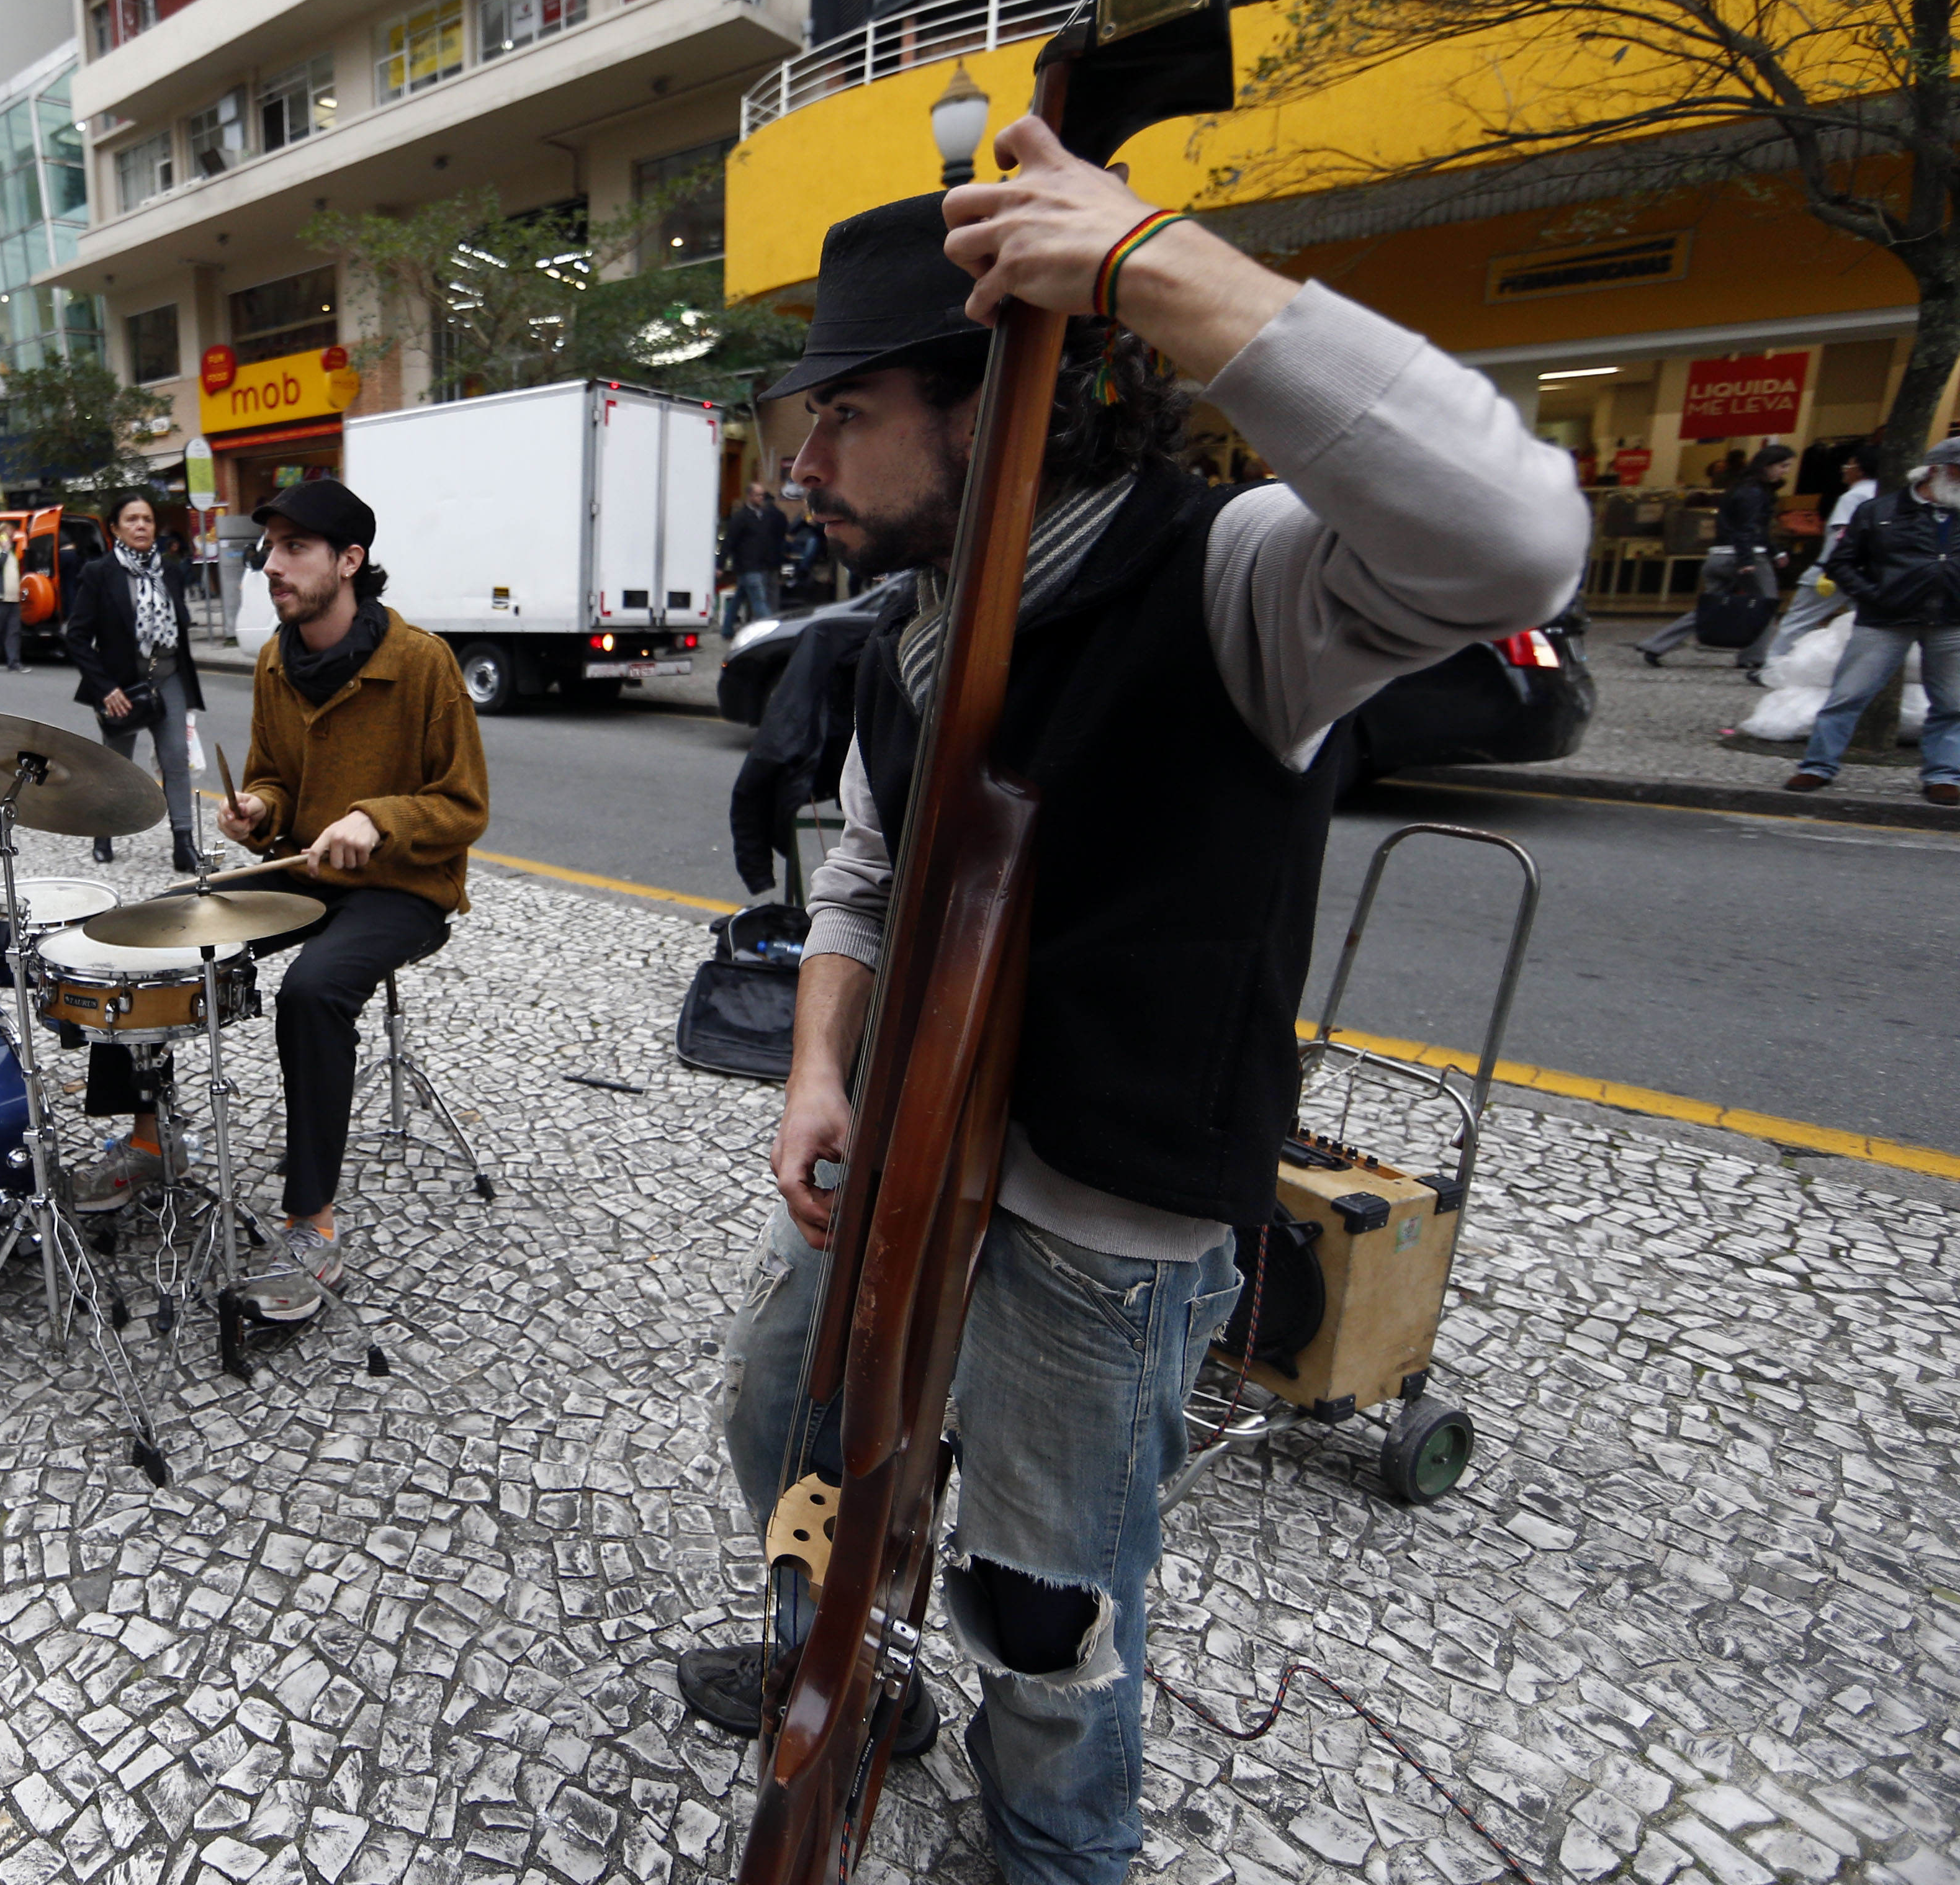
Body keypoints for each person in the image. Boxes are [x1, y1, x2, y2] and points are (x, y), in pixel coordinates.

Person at [674, 139, 1586, 1882]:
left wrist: (1156, 263)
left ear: (993, 399)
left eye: (840, 414)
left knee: (1046, 1600)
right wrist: (814, 1074)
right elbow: (862, 878)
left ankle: (1054, 1852)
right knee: (773, 1412)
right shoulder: (902, 636)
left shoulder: (1238, 581)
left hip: (1106, 1224)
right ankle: (853, 1672)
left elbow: (1521, 537)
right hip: (898, 1167)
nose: (799, 465)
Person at [74, 480, 492, 1313]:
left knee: (313, 990)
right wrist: (259, 806)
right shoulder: (276, 656)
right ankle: (153, 1140)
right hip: (302, 868)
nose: (272, 564)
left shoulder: (421, 663)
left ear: (349, 560)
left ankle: (314, 1227)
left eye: (296, 547)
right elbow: (273, 777)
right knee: (141, 935)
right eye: (271, 547)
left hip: (401, 885)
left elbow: (464, 805)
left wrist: (377, 819)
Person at [1786, 438, 1960, 806]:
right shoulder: (1878, 511)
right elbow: (1841, 563)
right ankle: (1818, 766)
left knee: (1952, 703)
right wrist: (1875, 595)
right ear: (1935, 471)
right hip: (1884, 620)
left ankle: (1944, 775)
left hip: (1950, 620)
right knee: (1849, 694)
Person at [67, 490, 202, 875]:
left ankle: (184, 843)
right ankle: (103, 834)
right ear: (115, 529)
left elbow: (182, 625)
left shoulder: (171, 570)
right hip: (120, 687)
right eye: (131, 520)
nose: (141, 526)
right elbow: (77, 637)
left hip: (169, 676)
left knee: (175, 757)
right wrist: (104, 688)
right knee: (116, 763)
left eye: (147, 520)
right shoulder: (100, 573)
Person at [1637, 444, 1789, 667]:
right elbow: (1751, 529)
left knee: (1709, 608)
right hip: (1747, 556)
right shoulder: (1756, 493)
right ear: (1768, 466)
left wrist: (1774, 551)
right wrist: (1750, 559)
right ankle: (1753, 657)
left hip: (1718, 556)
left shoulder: (1736, 489)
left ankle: (1656, 644)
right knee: (1766, 605)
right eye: (1783, 466)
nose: (1785, 471)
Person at [1761, 449, 1877, 669]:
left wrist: (1829, 566)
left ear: (1860, 469)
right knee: (1867, 620)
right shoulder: (1884, 493)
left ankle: (1773, 666)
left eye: (1849, 465)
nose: (1844, 470)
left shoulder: (1853, 496)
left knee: (1799, 619)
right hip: (1866, 570)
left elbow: (1840, 535)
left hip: (1834, 569)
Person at [724, 479, 788, 632]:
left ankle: (727, 628)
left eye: (762, 495)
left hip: (762, 565)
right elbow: (730, 541)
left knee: (740, 597)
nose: (761, 498)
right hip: (749, 566)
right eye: (758, 495)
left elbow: (769, 541)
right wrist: (720, 564)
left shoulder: (764, 516)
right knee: (759, 600)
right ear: (750, 497)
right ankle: (773, 630)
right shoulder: (741, 518)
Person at [0, 526, 26, 672]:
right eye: (7, 536)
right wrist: (4, 552)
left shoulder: (12, 553)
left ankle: (14, 662)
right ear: (0, 536)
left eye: (11, 537)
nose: (10, 540)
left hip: (13, 598)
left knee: (14, 631)